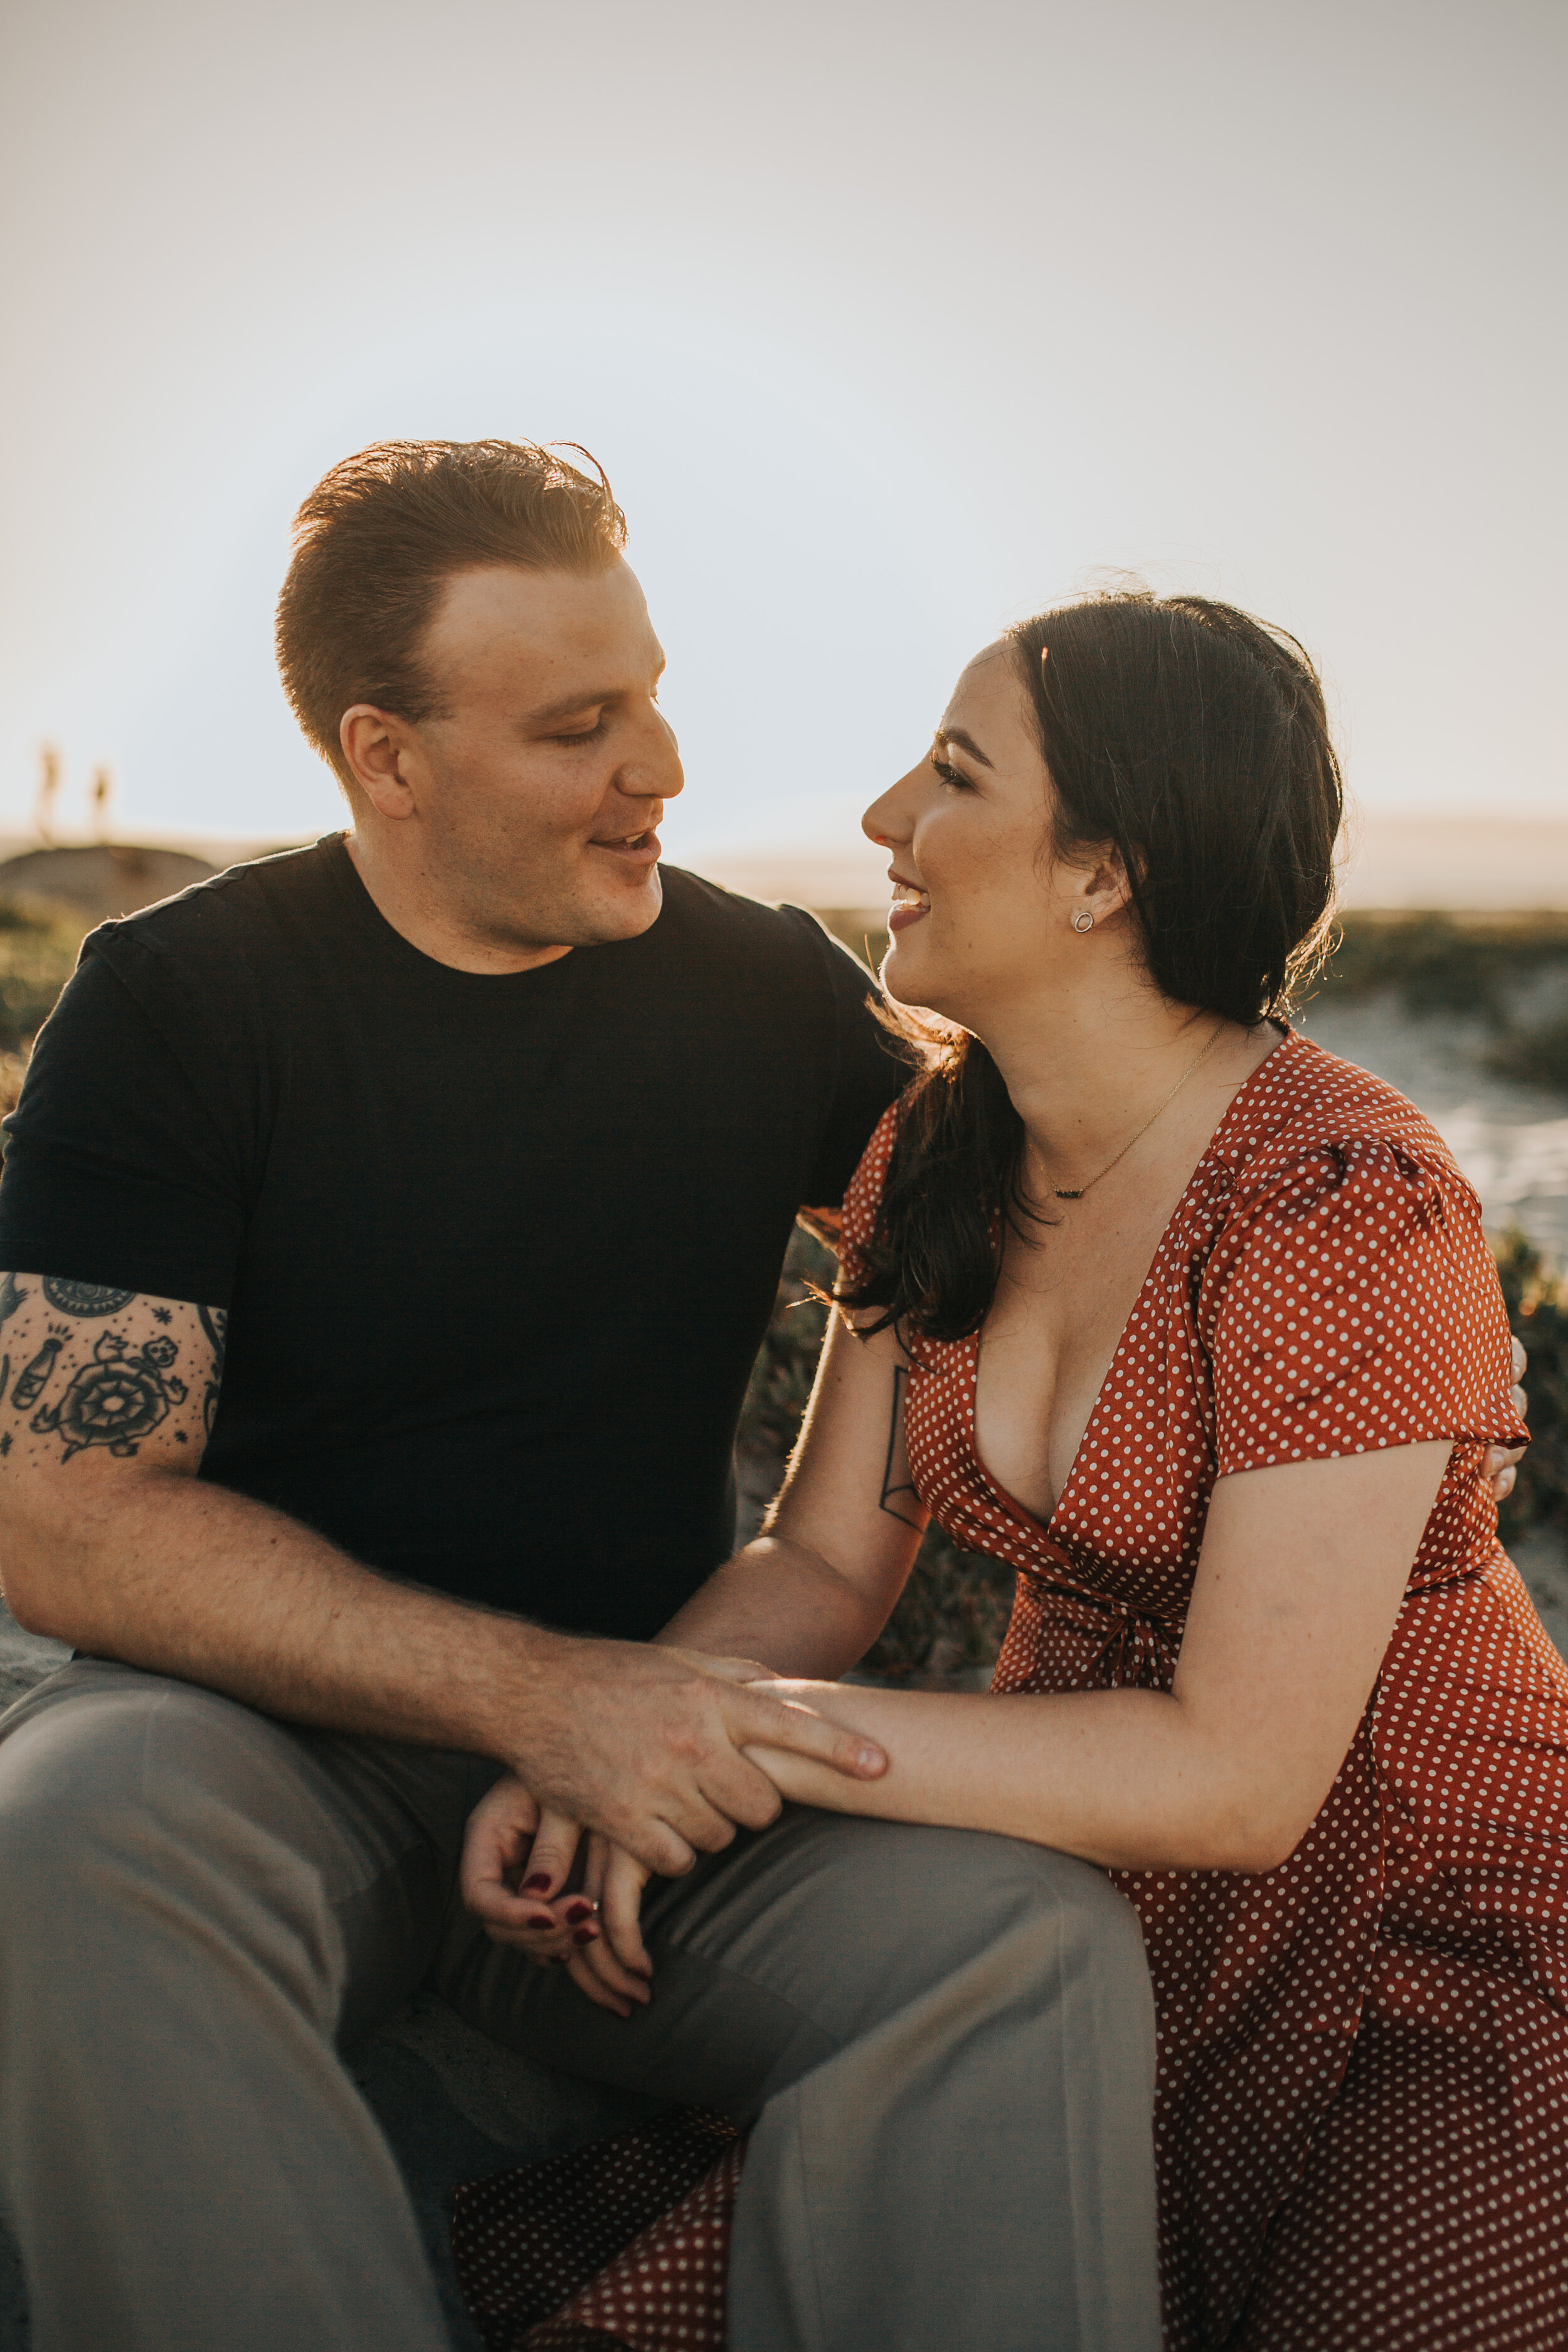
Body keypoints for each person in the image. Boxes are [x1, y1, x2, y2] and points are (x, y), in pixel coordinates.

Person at [0, 440, 1167, 2352]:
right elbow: (68, 1518)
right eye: (578, 727)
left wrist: (1365, 1268)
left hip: (649, 1808)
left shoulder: (759, 994)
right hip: (258, 1761)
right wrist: (547, 1700)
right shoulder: (175, 1006)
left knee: (1013, 1944)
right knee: (58, 1828)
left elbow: (1045, 1198)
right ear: (388, 757)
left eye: (651, 696)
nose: (664, 772)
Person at [467, 591, 1558, 2352]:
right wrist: (629, 1720)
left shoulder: (1339, 1195)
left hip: (1418, 1934)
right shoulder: (936, 1149)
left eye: (954, 774)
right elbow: (822, 1560)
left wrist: (736, 1742)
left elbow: (1235, 1778)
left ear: (1103, 872)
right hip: (1075, 1906)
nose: (886, 817)